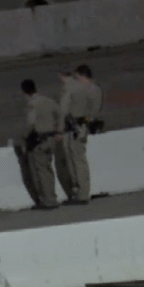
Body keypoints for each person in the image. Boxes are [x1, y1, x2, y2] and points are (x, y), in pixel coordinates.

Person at [55, 64, 104, 204]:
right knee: (78, 160)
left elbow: (64, 110)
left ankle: (81, 193)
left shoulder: (73, 89)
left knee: (76, 161)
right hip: (83, 126)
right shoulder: (95, 89)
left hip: (77, 127)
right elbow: (95, 110)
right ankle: (81, 192)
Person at [16, 79, 60, 209]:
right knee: (48, 170)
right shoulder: (48, 100)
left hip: (39, 141)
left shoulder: (32, 104)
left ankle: (48, 200)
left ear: (24, 92)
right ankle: (52, 197)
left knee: (41, 173)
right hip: (51, 138)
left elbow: (31, 123)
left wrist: (24, 136)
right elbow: (60, 114)